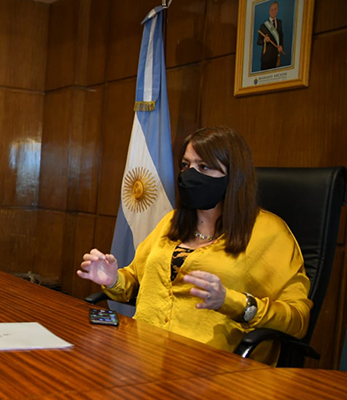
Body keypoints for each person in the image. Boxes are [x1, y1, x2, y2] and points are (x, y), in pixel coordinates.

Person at [77, 126, 311, 365]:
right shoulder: (171, 222)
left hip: (212, 369)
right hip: (141, 356)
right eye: (185, 166)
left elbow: (299, 319)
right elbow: (135, 283)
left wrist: (232, 302)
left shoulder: (269, 233)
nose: (189, 175)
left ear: (234, 176)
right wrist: (112, 279)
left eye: (204, 167)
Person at [257, 1, 284, 70]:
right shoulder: (263, 26)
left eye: (275, 9)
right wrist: (264, 40)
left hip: (275, 55)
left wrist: (281, 46)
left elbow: (281, 36)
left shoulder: (280, 23)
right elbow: (258, 42)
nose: (273, 11)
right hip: (266, 57)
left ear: (277, 10)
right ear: (269, 11)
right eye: (271, 10)